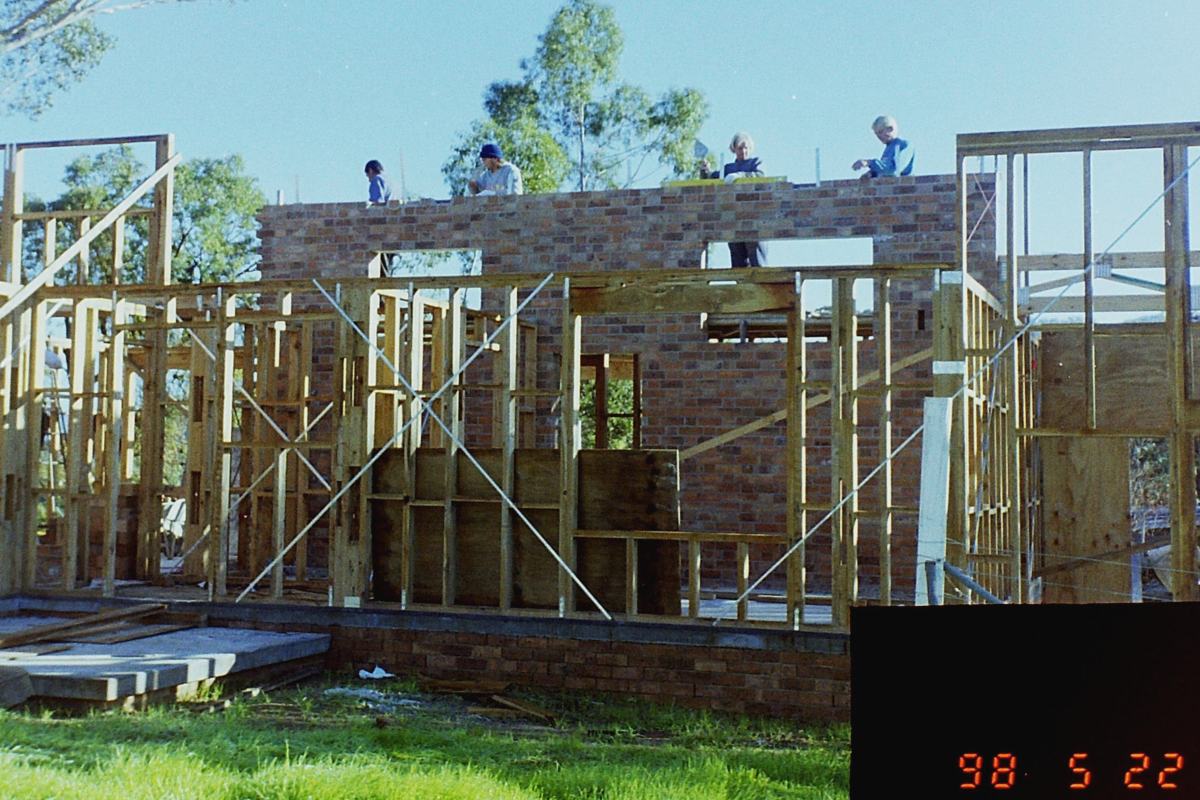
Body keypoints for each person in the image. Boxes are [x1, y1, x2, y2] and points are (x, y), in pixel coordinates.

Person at [699, 132, 767, 267]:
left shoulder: (755, 163)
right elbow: (711, 180)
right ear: (734, 149)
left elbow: (760, 175)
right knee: (737, 260)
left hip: (753, 217)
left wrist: (740, 176)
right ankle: (741, 287)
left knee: (757, 259)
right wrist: (705, 171)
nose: (743, 151)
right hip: (733, 217)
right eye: (740, 148)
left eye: (746, 147)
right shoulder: (728, 168)